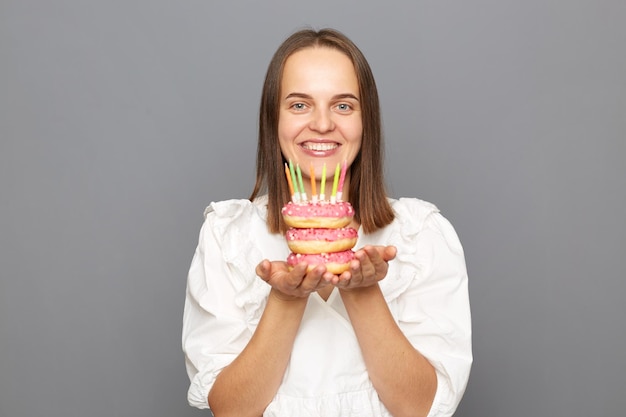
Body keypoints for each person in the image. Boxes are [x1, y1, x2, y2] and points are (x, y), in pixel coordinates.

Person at [182, 28, 472, 417]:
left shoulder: (421, 235)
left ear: (366, 120)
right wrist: (286, 298)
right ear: (274, 119)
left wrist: (362, 290)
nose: (321, 124)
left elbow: (420, 408)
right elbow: (231, 410)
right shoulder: (227, 236)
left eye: (343, 106)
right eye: (300, 105)